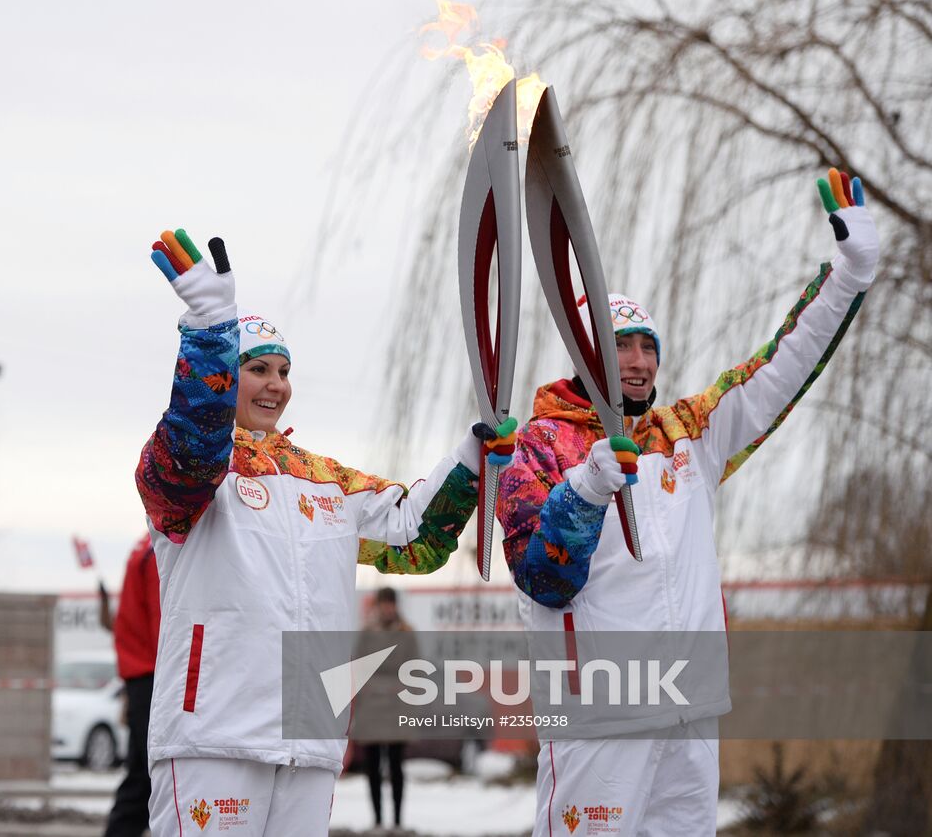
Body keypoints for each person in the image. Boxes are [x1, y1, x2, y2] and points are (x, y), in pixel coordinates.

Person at [497, 170, 879, 836]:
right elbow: (541, 578)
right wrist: (587, 489)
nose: (639, 361)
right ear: (585, 349)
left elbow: (775, 370)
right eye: (621, 345)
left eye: (648, 347)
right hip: (601, 715)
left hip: (690, 708)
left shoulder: (686, 436)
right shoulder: (541, 444)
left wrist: (848, 276)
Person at [136, 229, 515, 837]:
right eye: (257, 368)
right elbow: (188, 449)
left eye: (284, 371)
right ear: (228, 374)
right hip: (215, 734)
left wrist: (472, 457)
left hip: (310, 741)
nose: (275, 384)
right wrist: (210, 331)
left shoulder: (327, 482)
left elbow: (413, 537)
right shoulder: (200, 474)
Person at [102, 534, 162, 837]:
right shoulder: (160, 551)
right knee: (155, 779)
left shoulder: (147, 549)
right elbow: (166, 626)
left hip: (144, 679)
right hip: (155, 679)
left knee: (141, 781)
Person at [355, 587, 418, 833]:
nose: (388, 608)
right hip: (371, 708)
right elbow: (358, 667)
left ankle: (398, 821)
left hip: (396, 706)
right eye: (384, 604)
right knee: (372, 766)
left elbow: (415, 667)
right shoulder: (367, 633)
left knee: (396, 766)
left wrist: (400, 687)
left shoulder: (407, 633)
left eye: (391, 604)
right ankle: (378, 821)